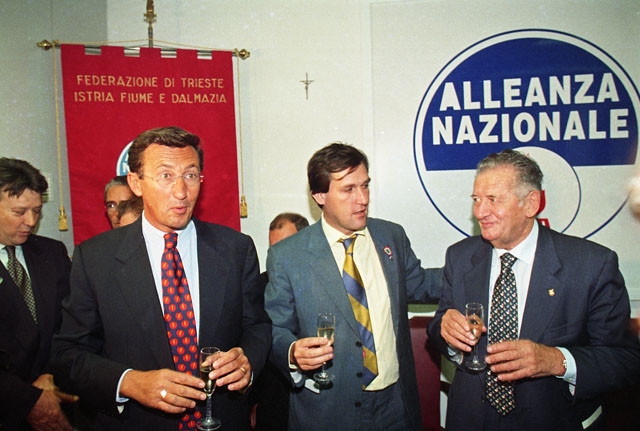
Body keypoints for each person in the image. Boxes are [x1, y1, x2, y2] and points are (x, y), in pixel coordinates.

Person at [51, 126, 271, 431]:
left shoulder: (236, 249)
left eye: (190, 175)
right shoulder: (95, 258)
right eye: (166, 176)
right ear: (136, 183)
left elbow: (257, 326)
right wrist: (130, 382)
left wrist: (247, 361)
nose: (181, 191)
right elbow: (67, 356)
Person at [427, 149, 640, 431]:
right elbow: (438, 328)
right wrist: (448, 333)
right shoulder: (460, 257)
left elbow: (625, 360)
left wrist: (555, 360)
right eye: (476, 200)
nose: (480, 212)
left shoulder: (591, 265)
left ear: (531, 204)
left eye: (493, 200)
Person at [264, 143, 442, 431]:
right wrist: (293, 352)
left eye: (365, 186)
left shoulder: (391, 236)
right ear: (319, 196)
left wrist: (473, 268)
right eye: (348, 189)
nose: (362, 199)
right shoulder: (288, 255)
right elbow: (274, 328)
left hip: (395, 406)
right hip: (328, 412)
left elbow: (420, 284)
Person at [0, 157, 77, 431]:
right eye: (20, 212)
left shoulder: (52, 253)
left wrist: (51, 375)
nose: (31, 222)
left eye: (37, 211)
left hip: (59, 396)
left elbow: (74, 325)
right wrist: (28, 400)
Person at [252, 212, 309, 431]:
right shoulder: (258, 285)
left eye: (284, 247)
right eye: (272, 249)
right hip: (273, 400)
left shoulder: (326, 280)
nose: (278, 256)